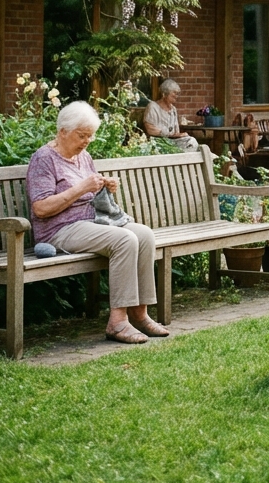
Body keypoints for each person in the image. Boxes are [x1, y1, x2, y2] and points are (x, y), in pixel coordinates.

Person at [26, 101, 169, 344]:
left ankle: (139, 313)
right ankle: (117, 322)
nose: (86, 141)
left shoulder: (83, 156)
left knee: (144, 235)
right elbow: (40, 208)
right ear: (62, 131)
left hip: (92, 223)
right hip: (58, 230)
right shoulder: (44, 159)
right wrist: (81, 187)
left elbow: (93, 195)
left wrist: (106, 187)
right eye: (82, 136)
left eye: (90, 136)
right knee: (124, 239)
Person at [143, 80, 200, 151]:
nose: (176, 96)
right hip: (158, 143)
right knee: (191, 144)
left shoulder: (173, 109)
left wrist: (180, 135)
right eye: (174, 93)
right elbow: (150, 129)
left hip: (172, 142)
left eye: (178, 93)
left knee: (192, 142)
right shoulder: (153, 106)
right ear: (164, 94)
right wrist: (170, 134)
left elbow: (176, 132)